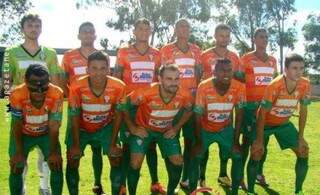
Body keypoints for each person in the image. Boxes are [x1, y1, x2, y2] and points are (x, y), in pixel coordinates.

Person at [2, 13, 63, 195]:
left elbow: (56, 80)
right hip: (20, 105)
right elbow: (6, 79)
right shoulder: (11, 52)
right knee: (20, 151)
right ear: (23, 28)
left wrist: (54, 103)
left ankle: (45, 188)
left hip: (45, 107)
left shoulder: (50, 53)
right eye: (29, 25)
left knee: (46, 154)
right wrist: (10, 106)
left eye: (37, 25)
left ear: (41, 28)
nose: (33, 28)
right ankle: (22, 187)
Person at [247, 53, 310, 195]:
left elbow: (304, 111)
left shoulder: (305, 84)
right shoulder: (274, 85)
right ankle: (250, 191)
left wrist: (300, 137)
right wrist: (259, 139)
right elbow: (262, 113)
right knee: (256, 153)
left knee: (303, 151)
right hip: (265, 124)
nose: (298, 71)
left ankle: (299, 191)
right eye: (294, 68)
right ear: (285, 69)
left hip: (283, 124)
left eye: (301, 68)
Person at [125, 64, 193, 195]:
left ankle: (171, 192)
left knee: (178, 162)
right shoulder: (145, 92)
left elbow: (189, 110)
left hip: (165, 131)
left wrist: (176, 128)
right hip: (144, 130)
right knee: (135, 162)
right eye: (169, 79)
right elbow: (123, 106)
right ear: (160, 79)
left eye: (176, 79)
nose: (174, 83)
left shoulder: (184, 94)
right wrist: (133, 128)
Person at [65, 51, 126, 195]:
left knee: (116, 158)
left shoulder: (119, 86)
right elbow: (74, 115)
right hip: (80, 127)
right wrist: (75, 144)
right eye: (94, 68)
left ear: (108, 69)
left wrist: (113, 143)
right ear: (87, 70)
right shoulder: (76, 86)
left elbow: (119, 115)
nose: (98, 73)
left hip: (105, 127)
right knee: (73, 159)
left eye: (103, 68)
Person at [114, 18, 163, 194]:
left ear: (150, 32)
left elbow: (159, 80)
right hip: (129, 107)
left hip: (149, 107)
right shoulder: (124, 52)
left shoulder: (157, 54)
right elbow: (117, 78)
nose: (143, 32)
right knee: (127, 146)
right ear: (134, 31)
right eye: (140, 29)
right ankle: (123, 186)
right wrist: (120, 104)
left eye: (146, 29)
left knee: (151, 145)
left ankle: (155, 182)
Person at [189, 59, 245, 195]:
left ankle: (234, 192)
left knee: (237, 155)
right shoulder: (204, 86)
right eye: (222, 70)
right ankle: (193, 190)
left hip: (225, 129)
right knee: (195, 155)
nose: (226, 73)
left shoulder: (239, 87)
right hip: (205, 128)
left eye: (229, 70)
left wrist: (236, 141)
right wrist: (198, 141)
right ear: (214, 72)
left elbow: (239, 115)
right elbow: (197, 116)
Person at [61, 22, 105, 194]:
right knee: (73, 152)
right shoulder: (69, 56)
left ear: (95, 35)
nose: (87, 35)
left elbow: (105, 80)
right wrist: (73, 99)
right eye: (84, 32)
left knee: (97, 149)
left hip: (97, 110)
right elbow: (63, 80)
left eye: (91, 32)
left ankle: (97, 183)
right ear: (79, 36)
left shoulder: (102, 57)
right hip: (77, 111)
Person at [8, 64, 64, 195]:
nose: (39, 91)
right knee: (17, 166)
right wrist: (19, 152)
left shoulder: (57, 93)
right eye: (34, 85)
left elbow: (54, 126)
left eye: (44, 85)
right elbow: (16, 124)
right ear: (25, 81)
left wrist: (54, 152)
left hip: (46, 133)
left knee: (56, 165)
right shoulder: (16, 94)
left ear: (49, 81)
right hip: (23, 133)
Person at [160, 18, 202, 189]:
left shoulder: (196, 50)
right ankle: (173, 181)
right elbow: (164, 75)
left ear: (190, 30)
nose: (184, 29)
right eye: (180, 26)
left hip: (190, 104)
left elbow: (198, 74)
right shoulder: (167, 50)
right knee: (172, 140)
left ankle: (186, 179)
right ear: (175, 30)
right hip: (173, 104)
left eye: (187, 27)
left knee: (190, 142)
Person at [199, 24, 242, 187]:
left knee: (226, 144)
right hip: (207, 104)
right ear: (215, 36)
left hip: (226, 105)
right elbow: (199, 78)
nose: (224, 39)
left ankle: (223, 174)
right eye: (221, 35)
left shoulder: (234, 56)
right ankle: (201, 177)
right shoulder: (204, 55)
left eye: (227, 36)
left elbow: (236, 78)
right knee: (205, 143)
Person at [239, 28, 278, 188]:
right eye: (261, 37)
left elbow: (274, 84)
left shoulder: (273, 60)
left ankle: (258, 174)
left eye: (266, 37)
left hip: (266, 108)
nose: (264, 40)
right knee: (247, 142)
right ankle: (239, 175)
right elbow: (240, 83)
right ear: (254, 39)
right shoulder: (245, 59)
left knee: (264, 142)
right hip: (249, 109)